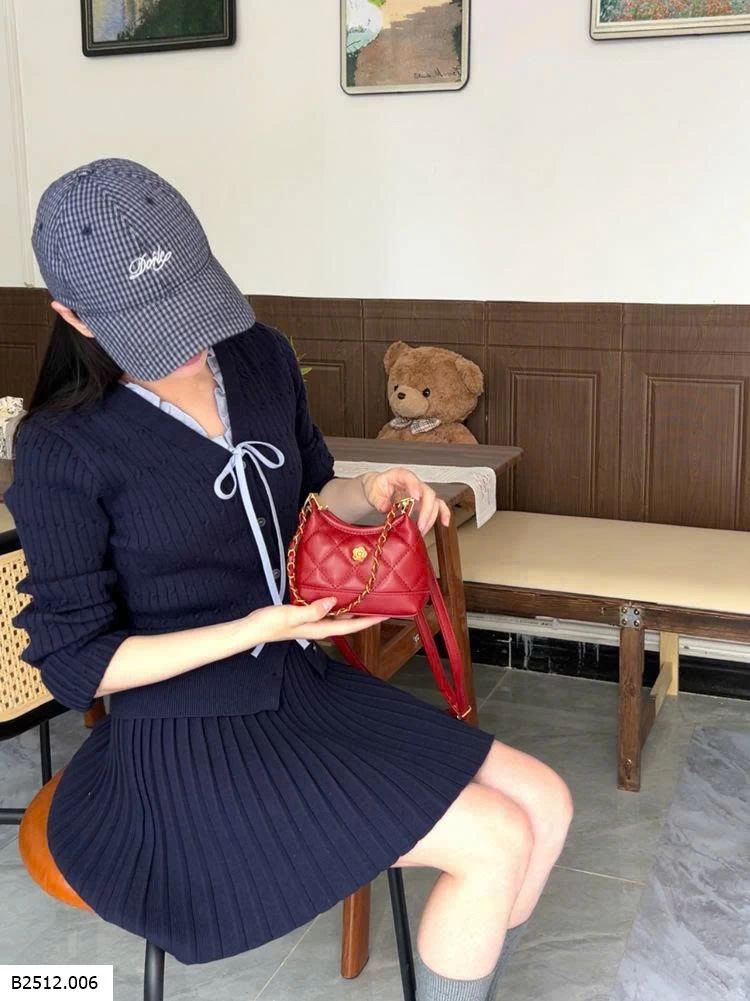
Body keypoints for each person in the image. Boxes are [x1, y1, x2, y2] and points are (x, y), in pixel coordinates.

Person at [6, 159, 573, 1001]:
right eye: (151, 328)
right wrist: (253, 627)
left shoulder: (258, 357)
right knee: (493, 840)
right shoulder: (64, 446)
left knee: (547, 803)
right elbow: (79, 663)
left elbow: (310, 491)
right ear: (72, 317)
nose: (187, 344)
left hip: (297, 682)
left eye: (190, 304)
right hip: (183, 733)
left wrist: (371, 489)